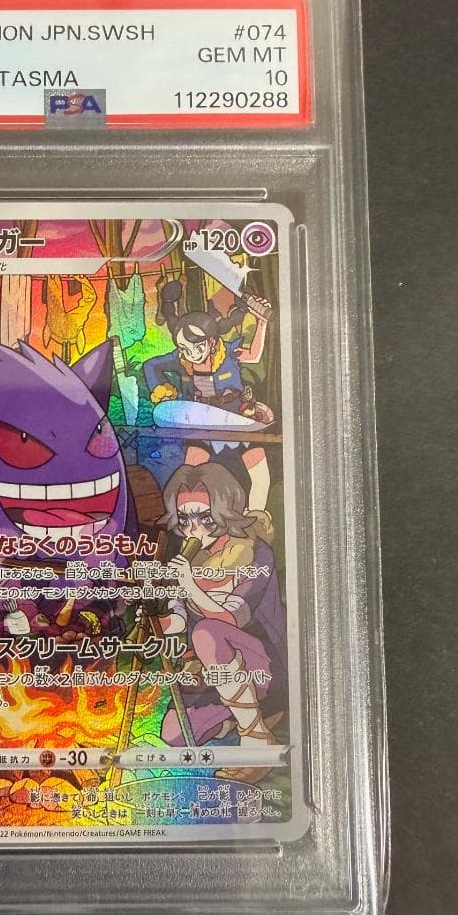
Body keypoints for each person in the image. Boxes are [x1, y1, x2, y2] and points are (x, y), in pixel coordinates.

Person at [156, 462, 286, 782]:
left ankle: (256, 737)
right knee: (175, 734)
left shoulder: (254, 552)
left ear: (225, 510)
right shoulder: (189, 558)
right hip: (216, 675)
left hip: (264, 666)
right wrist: (157, 616)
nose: (193, 528)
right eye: (184, 519)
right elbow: (177, 619)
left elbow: (229, 618)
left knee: (208, 632)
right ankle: (255, 717)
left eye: (204, 517)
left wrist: (189, 585)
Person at [143, 280, 274, 510]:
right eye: (184, 348)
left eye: (197, 347)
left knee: (259, 475)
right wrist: (162, 389)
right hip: (201, 426)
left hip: (237, 421)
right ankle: (191, 521)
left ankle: (256, 520)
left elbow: (253, 356)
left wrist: (261, 322)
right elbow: (151, 366)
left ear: (212, 342)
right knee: (190, 477)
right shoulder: (181, 360)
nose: (191, 354)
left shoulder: (228, 353)